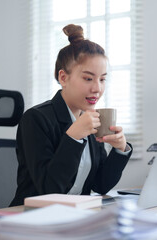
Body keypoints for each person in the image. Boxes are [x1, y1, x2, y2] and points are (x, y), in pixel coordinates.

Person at [10, 24, 132, 206]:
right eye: (88, 78)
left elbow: (100, 185)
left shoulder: (91, 120)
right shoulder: (35, 119)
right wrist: (73, 137)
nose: (97, 88)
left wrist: (120, 150)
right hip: (32, 215)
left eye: (102, 79)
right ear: (63, 78)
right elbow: (49, 190)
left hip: (75, 214)